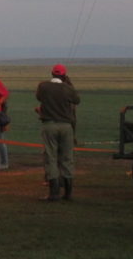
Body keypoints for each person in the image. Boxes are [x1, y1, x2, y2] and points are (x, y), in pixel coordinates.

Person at [36, 64, 81, 201]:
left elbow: (39, 98)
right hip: (66, 126)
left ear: (52, 73)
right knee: (67, 158)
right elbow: (77, 100)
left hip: (49, 125)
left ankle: (54, 193)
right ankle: (68, 193)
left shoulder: (43, 86)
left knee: (51, 157)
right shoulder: (67, 88)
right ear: (64, 75)